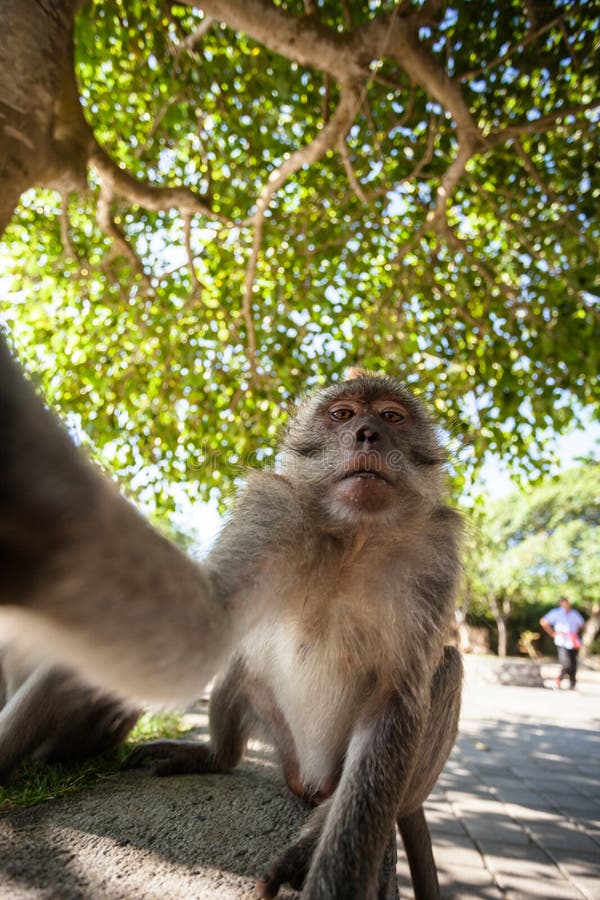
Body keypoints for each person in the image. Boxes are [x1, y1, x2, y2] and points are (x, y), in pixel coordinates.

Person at [540, 596, 585, 690]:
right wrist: (552, 633)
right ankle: (559, 679)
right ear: (561, 603)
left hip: (573, 641)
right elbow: (543, 621)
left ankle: (572, 684)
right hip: (562, 641)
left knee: (573, 663)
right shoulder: (556, 613)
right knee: (566, 663)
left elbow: (581, 624)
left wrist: (574, 632)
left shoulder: (574, 614)